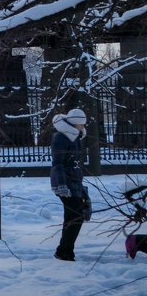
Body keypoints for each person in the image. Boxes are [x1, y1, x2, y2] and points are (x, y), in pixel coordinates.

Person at [50, 108, 88, 261]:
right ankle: (64, 251)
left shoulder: (75, 137)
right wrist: (61, 185)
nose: (82, 127)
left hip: (74, 181)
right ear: (74, 123)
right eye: (80, 124)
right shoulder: (61, 137)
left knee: (75, 216)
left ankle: (65, 251)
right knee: (75, 216)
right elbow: (58, 163)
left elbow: (75, 164)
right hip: (65, 182)